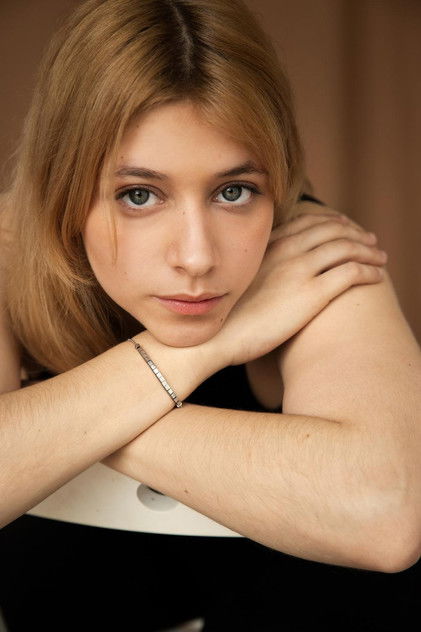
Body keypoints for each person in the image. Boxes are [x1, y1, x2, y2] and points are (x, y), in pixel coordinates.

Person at [0, 0, 420, 630]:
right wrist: (200, 352)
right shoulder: (10, 246)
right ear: (62, 187)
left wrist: (52, 431)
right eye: (139, 195)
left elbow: (385, 514)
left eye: (233, 191)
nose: (197, 257)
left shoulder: (310, 254)